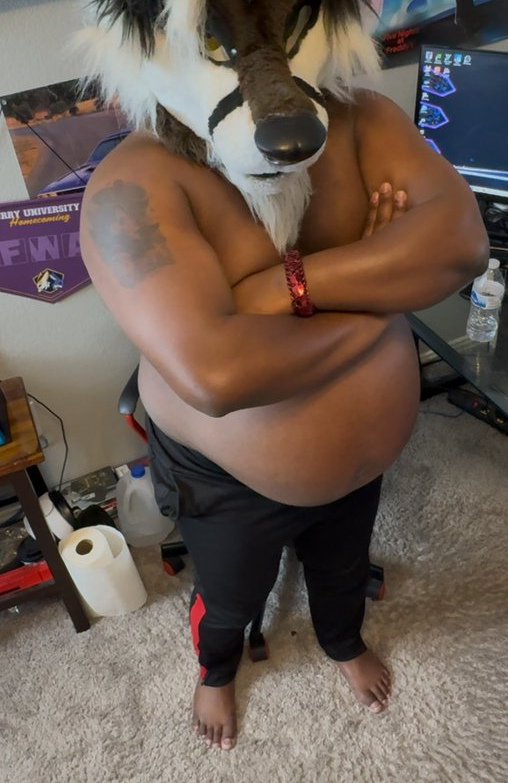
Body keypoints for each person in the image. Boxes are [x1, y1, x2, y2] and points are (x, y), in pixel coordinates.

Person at [80, 89, 489, 749]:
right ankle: (216, 670)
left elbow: (461, 248)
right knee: (231, 596)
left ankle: (342, 640)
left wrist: (281, 286)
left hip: (361, 466)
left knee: (343, 568)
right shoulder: (135, 177)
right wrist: (381, 290)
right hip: (226, 481)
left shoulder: (359, 114)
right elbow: (217, 377)